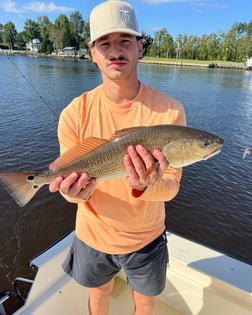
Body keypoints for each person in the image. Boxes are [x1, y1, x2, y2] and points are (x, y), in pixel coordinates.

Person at [49, 1, 186, 314]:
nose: (115, 51)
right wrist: (74, 195)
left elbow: (172, 186)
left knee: (147, 302)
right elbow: (69, 187)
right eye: (104, 43)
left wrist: (149, 184)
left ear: (140, 47)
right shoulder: (74, 113)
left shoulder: (170, 110)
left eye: (125, 41)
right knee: (99, 296)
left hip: (147, 238)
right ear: (92, 54)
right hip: (93, 235)